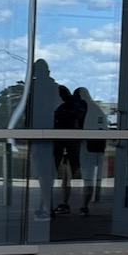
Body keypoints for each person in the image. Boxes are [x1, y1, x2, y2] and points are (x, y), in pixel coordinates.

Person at [26, 60, 58, 221]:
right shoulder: (54, 87)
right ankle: (44, 205)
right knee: (47, 174)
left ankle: (46, 206)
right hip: (52, 135)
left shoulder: (35, 88)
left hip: (39, 135)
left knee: (42, 174)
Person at [52, 84, 86, 215]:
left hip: (67, 144)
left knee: (66, 174)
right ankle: (69, 203)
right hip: (71, 144)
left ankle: (64, 202)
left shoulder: (66, 108)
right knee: (68, 174)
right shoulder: (76, 107)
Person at [76, 87, 107, 217]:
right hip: (94, 147)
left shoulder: (88, 109)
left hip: (89, 147)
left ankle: (85, 204)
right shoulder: (95, 109)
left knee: (88, 177)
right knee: (90, 177)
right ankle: (87, 202)